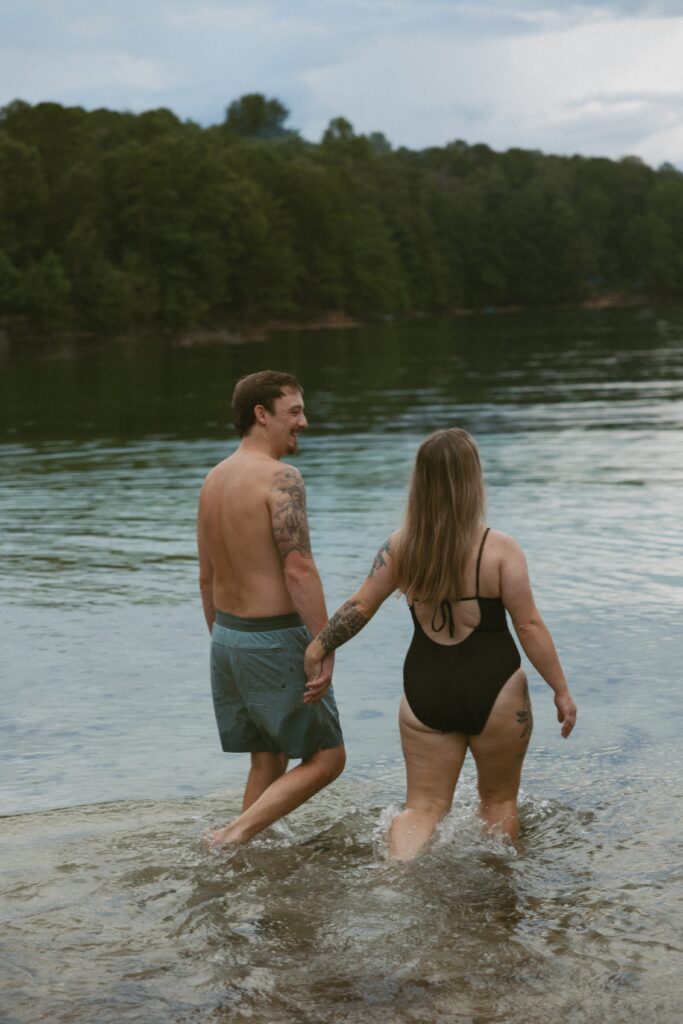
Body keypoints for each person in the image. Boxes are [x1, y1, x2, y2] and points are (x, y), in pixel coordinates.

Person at [304, 427, 576, 861]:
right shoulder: (500, 549)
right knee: (498, 803)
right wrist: (561, 690)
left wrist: (318, 647)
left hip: (425, 687)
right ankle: (495, 896)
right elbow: (529, 626)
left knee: (423, 807)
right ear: (473, 479)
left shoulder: (400, 547)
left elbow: (360, 606)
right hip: (497, 689)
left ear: (421, 481)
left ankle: (397, 876)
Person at [198, 370, 345, 849]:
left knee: (268, 759)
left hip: (227, 639)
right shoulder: (283, 478)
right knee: (328, 759)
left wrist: (225, 644)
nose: (304, 421)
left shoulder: (213, 479)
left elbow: (206, 575)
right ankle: (231, 838)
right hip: (275, 637)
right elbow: (298, 569)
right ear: (261, 415)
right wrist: (325, 643)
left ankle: (239, 857)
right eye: (294, 411)